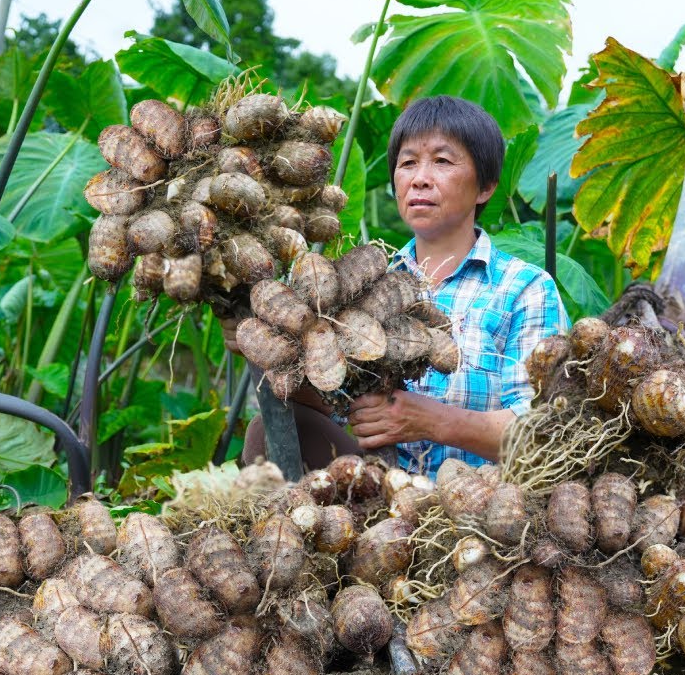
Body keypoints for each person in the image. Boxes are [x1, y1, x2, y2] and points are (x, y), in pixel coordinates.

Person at [226, 95, 568, 477]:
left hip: (478, 510)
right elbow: (335, 403)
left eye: (442, 161)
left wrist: (435, 421)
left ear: (485, 187)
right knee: (267, 430)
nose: (420, 178)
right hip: (368, 496)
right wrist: (266, 346)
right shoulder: (363, 283)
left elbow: (546, 431)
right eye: (407, 163)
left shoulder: (526, 289)